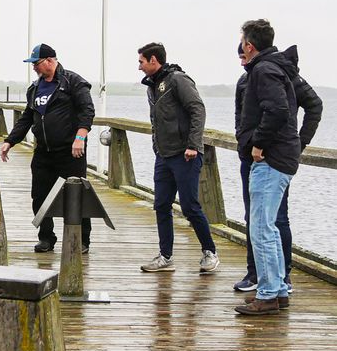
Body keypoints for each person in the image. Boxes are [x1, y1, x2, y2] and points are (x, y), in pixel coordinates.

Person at [233, 42, 323, 292]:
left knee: (274, 221)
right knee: (255, 219)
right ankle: (256, 273)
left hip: (273, 156)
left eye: (243, 54)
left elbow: (312, 106)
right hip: (251, 156)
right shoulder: (247, 79)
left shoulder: (278, 74)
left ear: (252, 47)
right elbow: (241, 117)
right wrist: (245, 145)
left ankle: (281, 279)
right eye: (238, 58)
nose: (242, 61)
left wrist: (300, 142)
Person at [235, 19, 302, 315]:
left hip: (271, 158)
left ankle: (266, 295)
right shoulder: (276, 66)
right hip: (282, 155)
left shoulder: (263, 69)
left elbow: (276, 110)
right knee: (268, 227)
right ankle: (276, 290)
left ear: (249, 45)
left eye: (242, 42)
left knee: (261, 228)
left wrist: (258, 144)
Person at [0, 43, 94, 254]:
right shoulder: (35, 88)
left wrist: (80, 137)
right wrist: (10, 141)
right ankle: (46, 238)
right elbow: (27, 118)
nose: (34, 68)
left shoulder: (73, 82)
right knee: (40, 196)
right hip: (43, 151)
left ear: (50, 61)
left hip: (70, 152)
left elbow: (87, 112)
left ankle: (82, 240)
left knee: (76, 196)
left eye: (37, 63)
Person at [137, 42, 220, 273]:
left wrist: (193, 144)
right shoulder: (152, 86)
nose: (139, 67)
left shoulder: (177, 80)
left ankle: (210, 252)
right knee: (161, 204)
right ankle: (165, 256)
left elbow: (197, 109)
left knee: (190, 206)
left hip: (186, 155)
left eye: (141, 62)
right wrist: (157, 147)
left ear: (154, 60)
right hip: (164, 155)